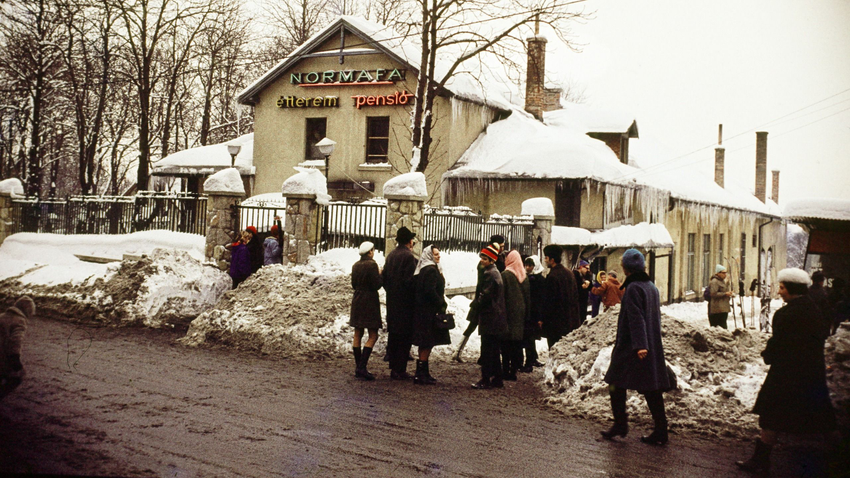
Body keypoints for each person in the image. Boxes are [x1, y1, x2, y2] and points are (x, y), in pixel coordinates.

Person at [737, 268, 836, 474]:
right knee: (819, 416)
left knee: (771, 416)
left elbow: (778, 344)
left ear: (790, 288)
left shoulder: (786, 313)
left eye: (781, 288)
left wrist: (768, 354)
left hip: (786, 374)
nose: (779, 292)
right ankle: (837, 458)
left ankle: (761, 460)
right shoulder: (813, 309)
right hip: (811, 373)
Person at [601, 248, 670, 446]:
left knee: (615, 382)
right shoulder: (650, 287)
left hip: (632, 347)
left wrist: (640, 345)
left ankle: (621, 424)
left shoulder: (632, 288)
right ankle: (660, 430)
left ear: (626, 268)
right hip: (650, 344)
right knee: (651, 388)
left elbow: (636, 317)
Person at [382, 227, 418, 380]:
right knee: (404, 337)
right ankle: (399, 369)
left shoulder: (391, 255)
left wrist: (391, 291)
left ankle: (394, 366)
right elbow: (410, 281)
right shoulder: (409, 257)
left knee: (395, 335)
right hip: (405, 303)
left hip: (392, 301)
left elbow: (383, 278)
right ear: (410, 241)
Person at [471, 244, 508, 389]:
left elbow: (485, 295)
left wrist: (476, 304)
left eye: (485, 258)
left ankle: (485, 379)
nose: (482, 260)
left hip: (490, 317)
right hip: (496, 317)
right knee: (494, 350)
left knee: (487, 350)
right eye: (481, 257)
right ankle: (497, 379)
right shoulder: (496, 272)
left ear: (492, 260)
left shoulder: (489, 274)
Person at [412, 244, 446, 385]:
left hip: (422, 311)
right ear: (429, 255)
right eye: (436, 254)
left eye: (438, 254)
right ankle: (421, 374)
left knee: (425, 343)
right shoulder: (431, 271)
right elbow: (430, 291)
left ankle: (422, 372)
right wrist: (441, 303)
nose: (438, 256)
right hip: (428, 312)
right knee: (427, 342)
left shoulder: (423, 269)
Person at [350, 241, 383, 381]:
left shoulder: (355, 265)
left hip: (357, 300)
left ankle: (359, 367)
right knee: (373, 334)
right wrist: (380, 274)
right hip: (369, 301)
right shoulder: (372, 265)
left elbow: (353, 285)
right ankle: (362, 367)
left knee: (358, 332)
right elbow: (376, 285)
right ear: (370, 252)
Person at [540, 244, 579, 349]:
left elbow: (548, 302)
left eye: (546, 258)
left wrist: (543, 319)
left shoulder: (552, 277)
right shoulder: (569, 273)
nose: (545, 260)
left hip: (555, 325)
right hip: (570, 322)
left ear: (552, 260)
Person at [500, 250, 529, 381]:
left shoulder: (505, 275)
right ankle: (514, 370)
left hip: (508, 312)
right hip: (520, 313)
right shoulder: (523, 275)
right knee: (516, 343)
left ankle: (505, 370)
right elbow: (528, 296)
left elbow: (502, 295)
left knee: (506, 344)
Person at [0, 296, 33, 400]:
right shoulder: (19, 321)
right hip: (3, 358)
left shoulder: (2, 316)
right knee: (16, 378)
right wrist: (15, 360)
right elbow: (15, 341)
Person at [453, 260, 485, 362]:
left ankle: (458, 351)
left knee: (472, 326)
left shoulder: (483, 263)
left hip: (479, 300)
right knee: (473, 326)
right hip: (481, 301)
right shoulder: (485, 264)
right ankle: (457, 351)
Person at [520, 256, 545, 372]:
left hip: (533, 313)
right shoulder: (528, 278)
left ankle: (529, 363)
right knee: (530, 338)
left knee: (529, 338)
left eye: (530, 265)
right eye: (527, 265)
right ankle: (533, 358)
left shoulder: (538, 280)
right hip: (529, 312)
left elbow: (541, 300)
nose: (528, 268)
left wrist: (540, 316)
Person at [708, 265, 733, 329]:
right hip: (717, 309)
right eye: (723, 273)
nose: (725, 275)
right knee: (719, 326)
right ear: (718, 273)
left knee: (723, 325)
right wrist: (725, 294)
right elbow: (713, 293)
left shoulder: (722, 281)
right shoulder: (715, 281)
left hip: (723, 308)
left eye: (725, 273)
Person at [808, 271, 831, 335]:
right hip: (820, 323)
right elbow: (827, 311)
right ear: (821, 281)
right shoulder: (823, 293)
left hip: (808, 322)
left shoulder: (807, 291)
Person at [574, 260, 593, 325]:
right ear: (581, 267)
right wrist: (582, 287)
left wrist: (589, 281)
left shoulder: (586, 276)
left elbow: (591, 288)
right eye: (586, 268)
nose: (588, 270)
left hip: (584, 301)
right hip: (577, 301)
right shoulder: (575, 275)